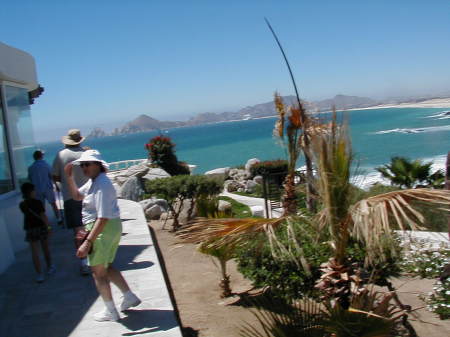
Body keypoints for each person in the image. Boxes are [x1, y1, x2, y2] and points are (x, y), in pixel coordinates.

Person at [64, 149, 141, 321]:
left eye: (88, 164)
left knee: (97, 273)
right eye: (82, 165)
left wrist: (87, 242)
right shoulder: (94, 182)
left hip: (101, 230)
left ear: (98, 165)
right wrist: (69, 178)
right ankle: (129, 296)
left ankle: (110, 310)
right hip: (107, 229)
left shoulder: (102, 184)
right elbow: (77, 196)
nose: (84, 168)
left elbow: (103, 217)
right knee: (105, 266)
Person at [52, 129, 90, 275]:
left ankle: (83, 262)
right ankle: (97, 259)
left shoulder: (61, 155)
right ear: (80, 140)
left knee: (78, 231)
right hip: (88, 196)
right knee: (92, 228)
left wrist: (65, 182)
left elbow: (55, 176)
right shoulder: (86, 154)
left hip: (70, 197)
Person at [19, 183, 55, 283]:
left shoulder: (22, 204)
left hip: (30, 229)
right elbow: (43, 216)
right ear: (31, 192)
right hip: (41, 228)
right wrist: (49, 227)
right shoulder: (38, 202)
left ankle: (39, 274)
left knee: (35, 253)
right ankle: (50, 267)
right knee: (45, 248)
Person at [28, 150, 63, 225]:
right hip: (47, 187)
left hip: (37, 189)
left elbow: (30, 178)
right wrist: (57, 186)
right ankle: (59, 219)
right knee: (53, 204)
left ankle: (43, 222)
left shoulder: (31, 168)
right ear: (41, 156)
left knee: (41, 207)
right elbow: (52, 176)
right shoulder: (46, 165)